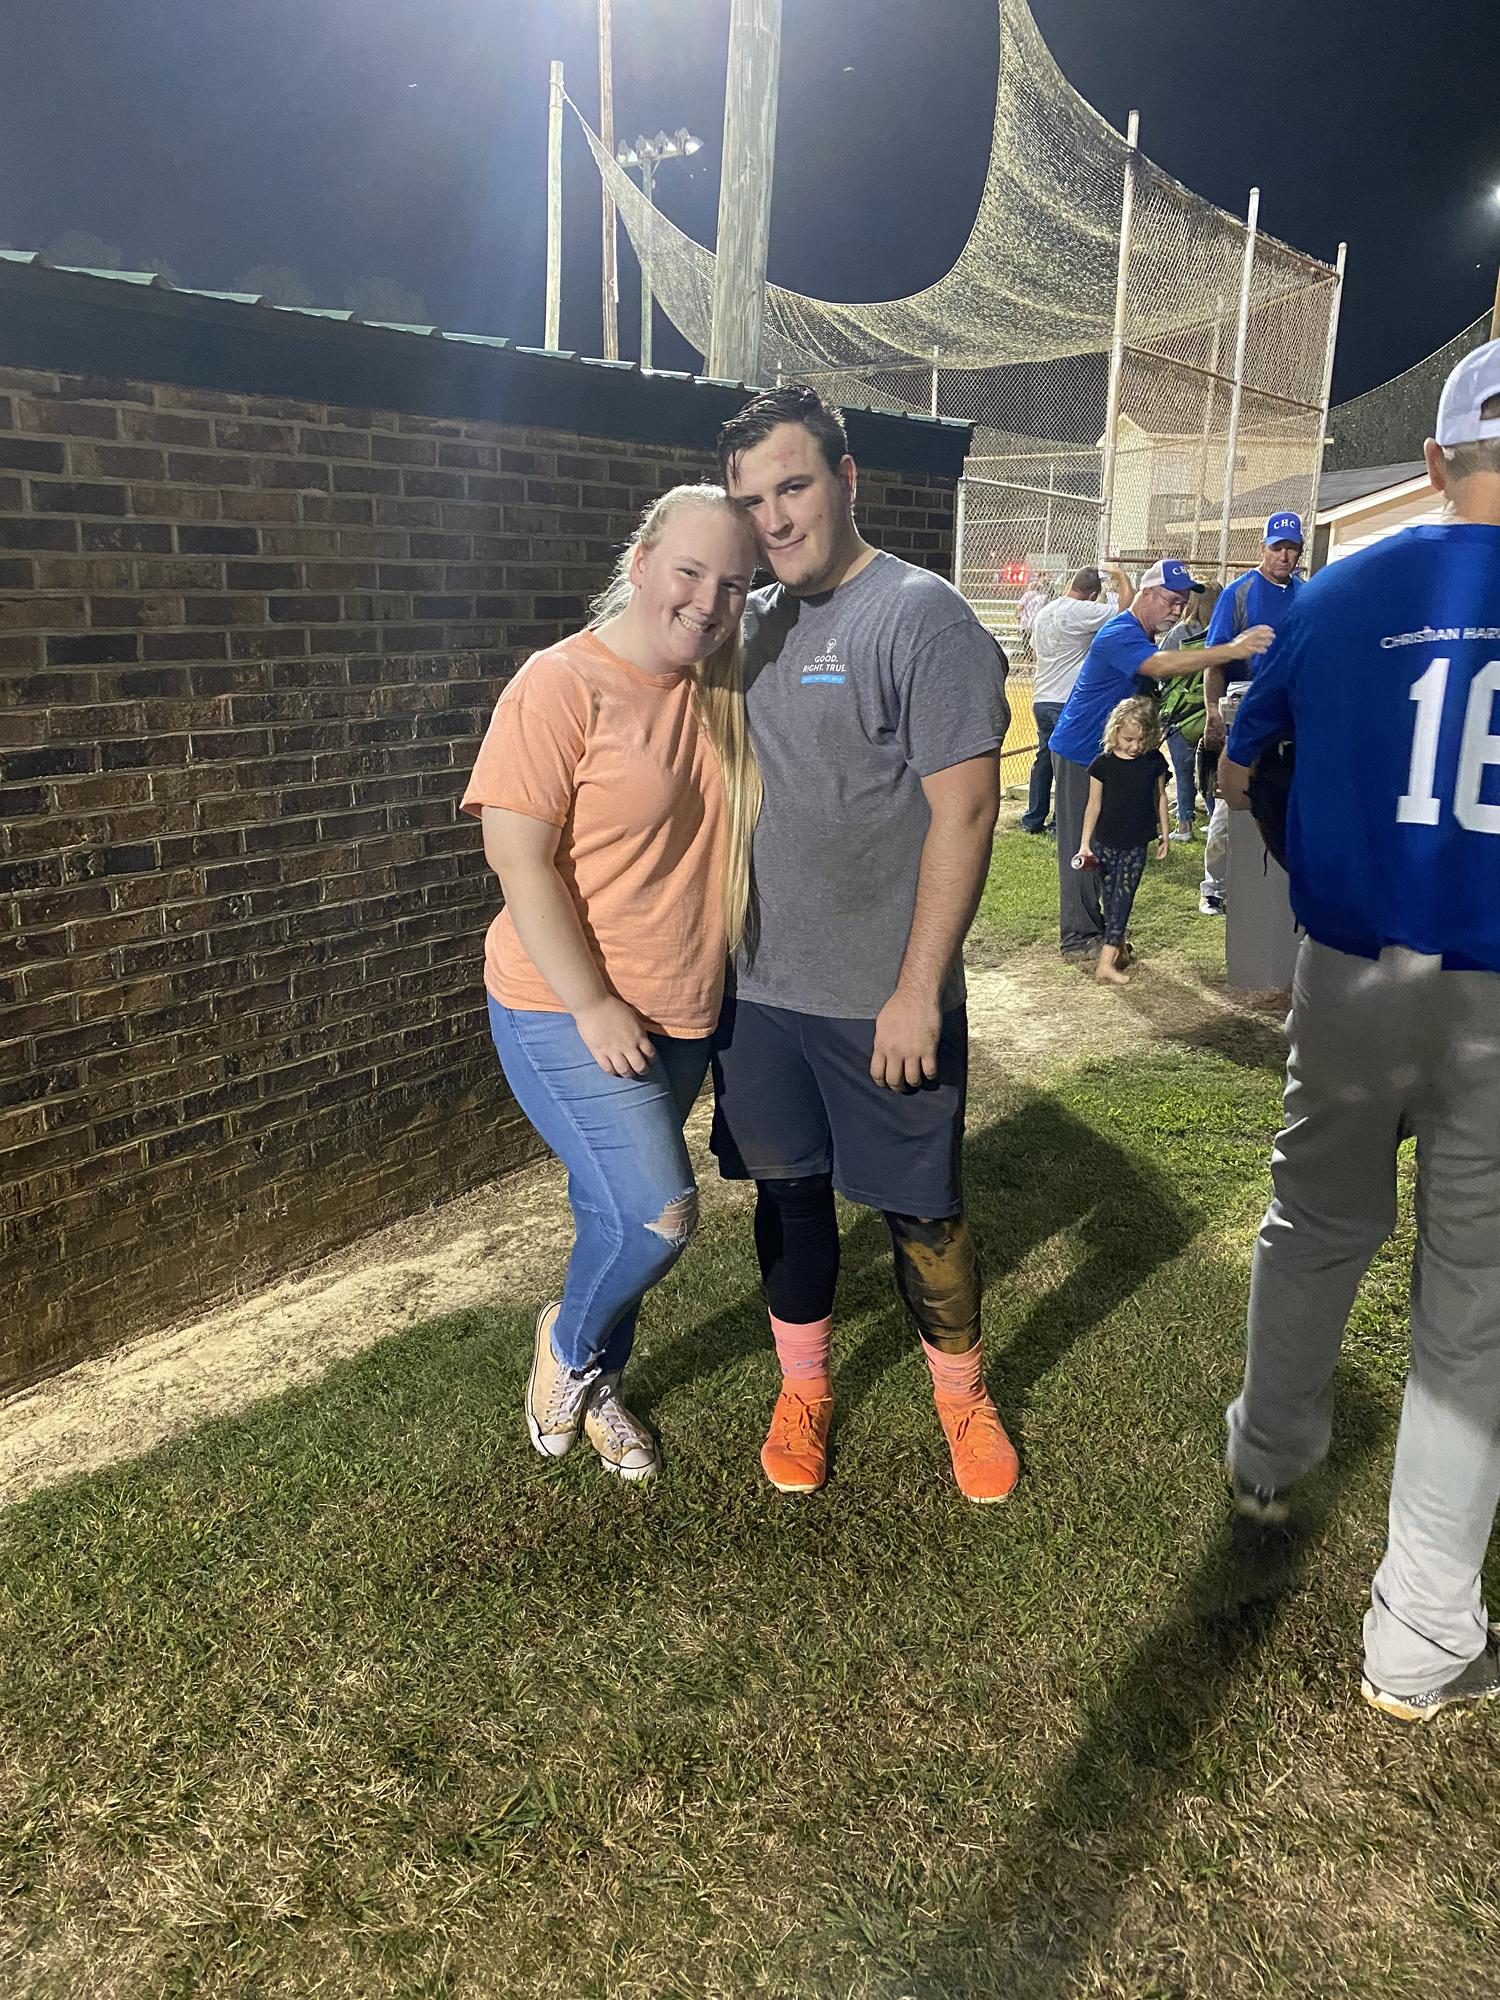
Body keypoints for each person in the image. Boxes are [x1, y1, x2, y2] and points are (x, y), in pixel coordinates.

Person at [1220, 339, 1500, 1721]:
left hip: (1352, 971)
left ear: (1437, 461)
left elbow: (1238, 764)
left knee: (1315, 1222)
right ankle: (1422, 1634)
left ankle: (1270, 1460)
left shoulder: (1337, 589)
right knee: (1473, 1299)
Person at [713, 384, 1017, 1504]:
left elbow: (967, 812)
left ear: (846, 479)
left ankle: (962, 1396)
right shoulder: (747, 622)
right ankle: (805, 1389)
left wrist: (917, 989)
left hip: (882, 996)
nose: (774, 519)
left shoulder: (920, 617)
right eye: (752, 501)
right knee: (788, 1193)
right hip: (758, 992)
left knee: (921, 1206)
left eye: (792, 487)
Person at [461, 485, 760, 1483]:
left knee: (608, 1214)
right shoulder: (559, 685)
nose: (708, 600)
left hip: (684, 1006)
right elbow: (517, 860)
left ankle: (599, 1391)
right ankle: (567, 1344)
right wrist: (593, 1003)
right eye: (689, 571)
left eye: (733, 584)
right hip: (565, 1004)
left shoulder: (726, 685)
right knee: (655, 1213)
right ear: (641, 564)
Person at [1046, 558, 1272, 959]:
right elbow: (1158, 666)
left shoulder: (1140, 633)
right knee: (1086, 846)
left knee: (1113, 843)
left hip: (1115, 756)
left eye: (1183, 602)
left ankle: (1104, 934)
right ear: (1147, 594)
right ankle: (1078, 938)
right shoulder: (1120, 632)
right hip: (1082, 753)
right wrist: (1230, 650)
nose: (1177, 609)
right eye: (1170, 600)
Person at [1199, 513, 1305, 914]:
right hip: (1243, 711)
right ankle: (1215, 886)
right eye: (1277, 547)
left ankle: (1282, 884)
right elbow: (1215, 660)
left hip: (1291, 715)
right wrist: (1212, 712)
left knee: (1289, 797)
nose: (1284, 556)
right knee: (1232, 801)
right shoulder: (1239, 593)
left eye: (1291, 548)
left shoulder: (1306, 594)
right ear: (1263, 548)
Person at [1020, 562, 1135, 835]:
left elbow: (1034, 649)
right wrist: (1120, 575)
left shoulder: (1045, 611)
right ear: (1093, 594)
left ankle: (1033, 818)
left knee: (1044, 759)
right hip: (1067, 698)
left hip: (1042, 694)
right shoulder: (1081, 609)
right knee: (1069, 763)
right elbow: (1126, 609)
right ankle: (1060, 822)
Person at [1075, 696, 1170, 985]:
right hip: (1105, 843)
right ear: (1115, 731)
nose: (1135, 746)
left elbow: (1160, 797)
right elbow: (1093, 805)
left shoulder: (1154, 762)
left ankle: (1105, 964)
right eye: (1129, 739)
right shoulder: (1102, 765)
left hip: (1136, 844)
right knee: (1110, 899)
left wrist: (1165, 834)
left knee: (1122, 899)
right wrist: (1084, 843)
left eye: (1142, 739)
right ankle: (1120, 952)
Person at [1155, 580, 1222, 839]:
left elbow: (1161, 669)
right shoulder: (1223, 633)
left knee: (1184, 771)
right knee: (1209, 768)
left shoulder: (1181, 632)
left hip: (1182, 713)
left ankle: (1184, 824)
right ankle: (1215, 821)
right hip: (1210, 712)